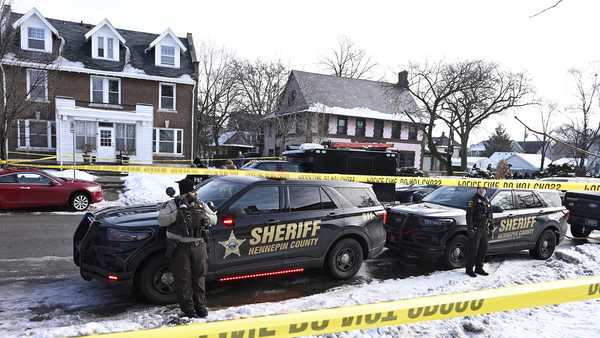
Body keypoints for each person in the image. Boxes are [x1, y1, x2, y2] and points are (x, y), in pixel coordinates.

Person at [158, 178, 217, 318]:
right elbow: (161, 220)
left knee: (199, 278)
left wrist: (205, 217)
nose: (194, 193)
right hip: (180, 247)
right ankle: (188, 309)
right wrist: (178, 213)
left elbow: (214, 219)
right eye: (191, 191)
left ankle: (201, 307)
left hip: (198, 246)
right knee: (183, 280)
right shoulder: (172, 204)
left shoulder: (200, 204)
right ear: (184, 193)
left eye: (194, 191)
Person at [465, 186, 492, 278]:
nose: (481, 190)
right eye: (479, 188)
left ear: (486, 190)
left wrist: (491, 225)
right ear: (477, 190)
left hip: (484, 229)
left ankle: (479, 268)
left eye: (483, 189)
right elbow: (469, 215)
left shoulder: (487, 200)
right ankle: (469, 269)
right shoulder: (473, 200)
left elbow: (489, 213)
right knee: (473, 250)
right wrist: (470, 229)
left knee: (483, 249)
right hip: (476, 229)